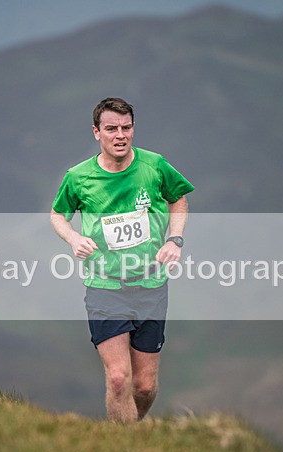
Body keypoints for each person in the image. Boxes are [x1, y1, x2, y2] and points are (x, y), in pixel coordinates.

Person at [50, 97, 194, 422]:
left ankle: (132, 431)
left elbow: (179, 199)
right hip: (105, 286)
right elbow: (58, 214)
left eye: (126, 128)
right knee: (118, 379)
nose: (120, 135)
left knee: (143, 386)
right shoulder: (79, 177)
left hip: (151, 285)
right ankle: (124, 451)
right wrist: (73, 238)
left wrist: (175, 239)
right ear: (96, 132)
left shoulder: (154, 166)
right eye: (111, 128)